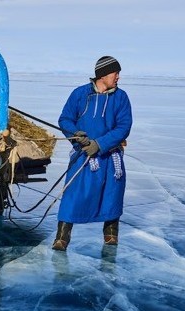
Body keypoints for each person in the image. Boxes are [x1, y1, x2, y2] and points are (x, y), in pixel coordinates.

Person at [53, 55, 133, 251]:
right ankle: (62, 237)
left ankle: (111, 235)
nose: (118, 77)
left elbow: (124, 127)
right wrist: (75, 135)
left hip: (109, 155)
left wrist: (100, 143)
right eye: (116, 73)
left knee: (111, 194)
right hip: (83, 155)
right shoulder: (80, 94)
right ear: (103, 74)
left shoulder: (121, 97)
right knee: (72, 193)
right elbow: (65, 119)